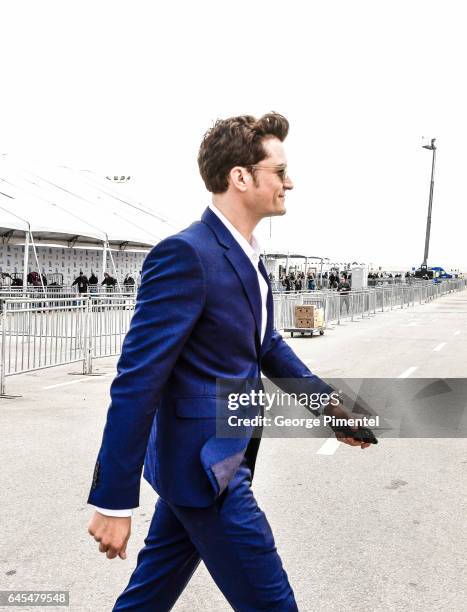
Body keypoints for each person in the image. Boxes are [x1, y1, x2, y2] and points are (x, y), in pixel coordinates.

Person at [87, 113, 373, 611]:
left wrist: (331, 409)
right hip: (207, 472)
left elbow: (267, 347)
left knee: (146, 599)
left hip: (207, 461)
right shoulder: (186, 254)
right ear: (240, 177)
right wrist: (114, 499)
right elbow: (138, 380)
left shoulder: (248, 256)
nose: (290, 182)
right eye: (279, 171)